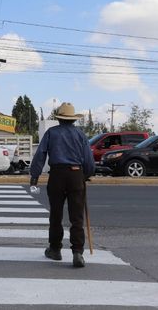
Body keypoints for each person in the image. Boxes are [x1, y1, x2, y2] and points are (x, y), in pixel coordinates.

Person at [30, 102, 95, 268]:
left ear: (59, 119)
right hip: (75, 174)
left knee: (56, 215)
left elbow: (41, 154)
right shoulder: (80, 134)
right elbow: (88, 159)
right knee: (77, 217)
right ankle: (78, 252)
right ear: (73, 120)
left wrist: (35, 175)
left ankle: (55, 249)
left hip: (57, 175)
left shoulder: (51, 133)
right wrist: (86, 174)